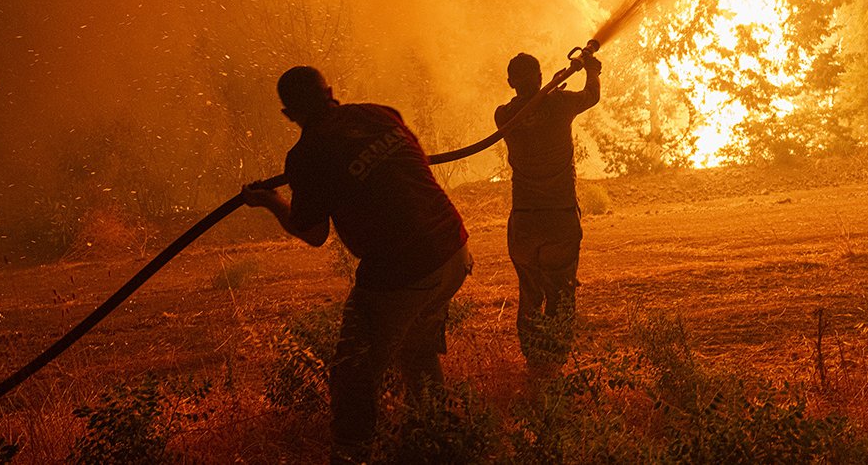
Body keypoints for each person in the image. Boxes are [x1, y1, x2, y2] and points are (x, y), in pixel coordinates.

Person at [242, 65, 471, 464]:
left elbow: (312, 233)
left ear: (288, 114)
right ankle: (441, 441)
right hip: (453, 251)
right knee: (416, 351)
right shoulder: (381, 113)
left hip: (402, 270)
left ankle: (352, 455)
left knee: (353, 374)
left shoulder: (307, 154)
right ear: (330, 90)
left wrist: (270, 201)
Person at [494, 50, 601, 376]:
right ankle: (553, 366)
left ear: (511, 82)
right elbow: (591, 96)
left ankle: (533, 365)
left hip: (524, 221)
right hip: (559, 217)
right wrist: (591, 70)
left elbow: (531, 109)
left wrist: (552, 87)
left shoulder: (503, 115)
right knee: (561, 293)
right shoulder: (559, 103)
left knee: (530, 294)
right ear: (539, 77)